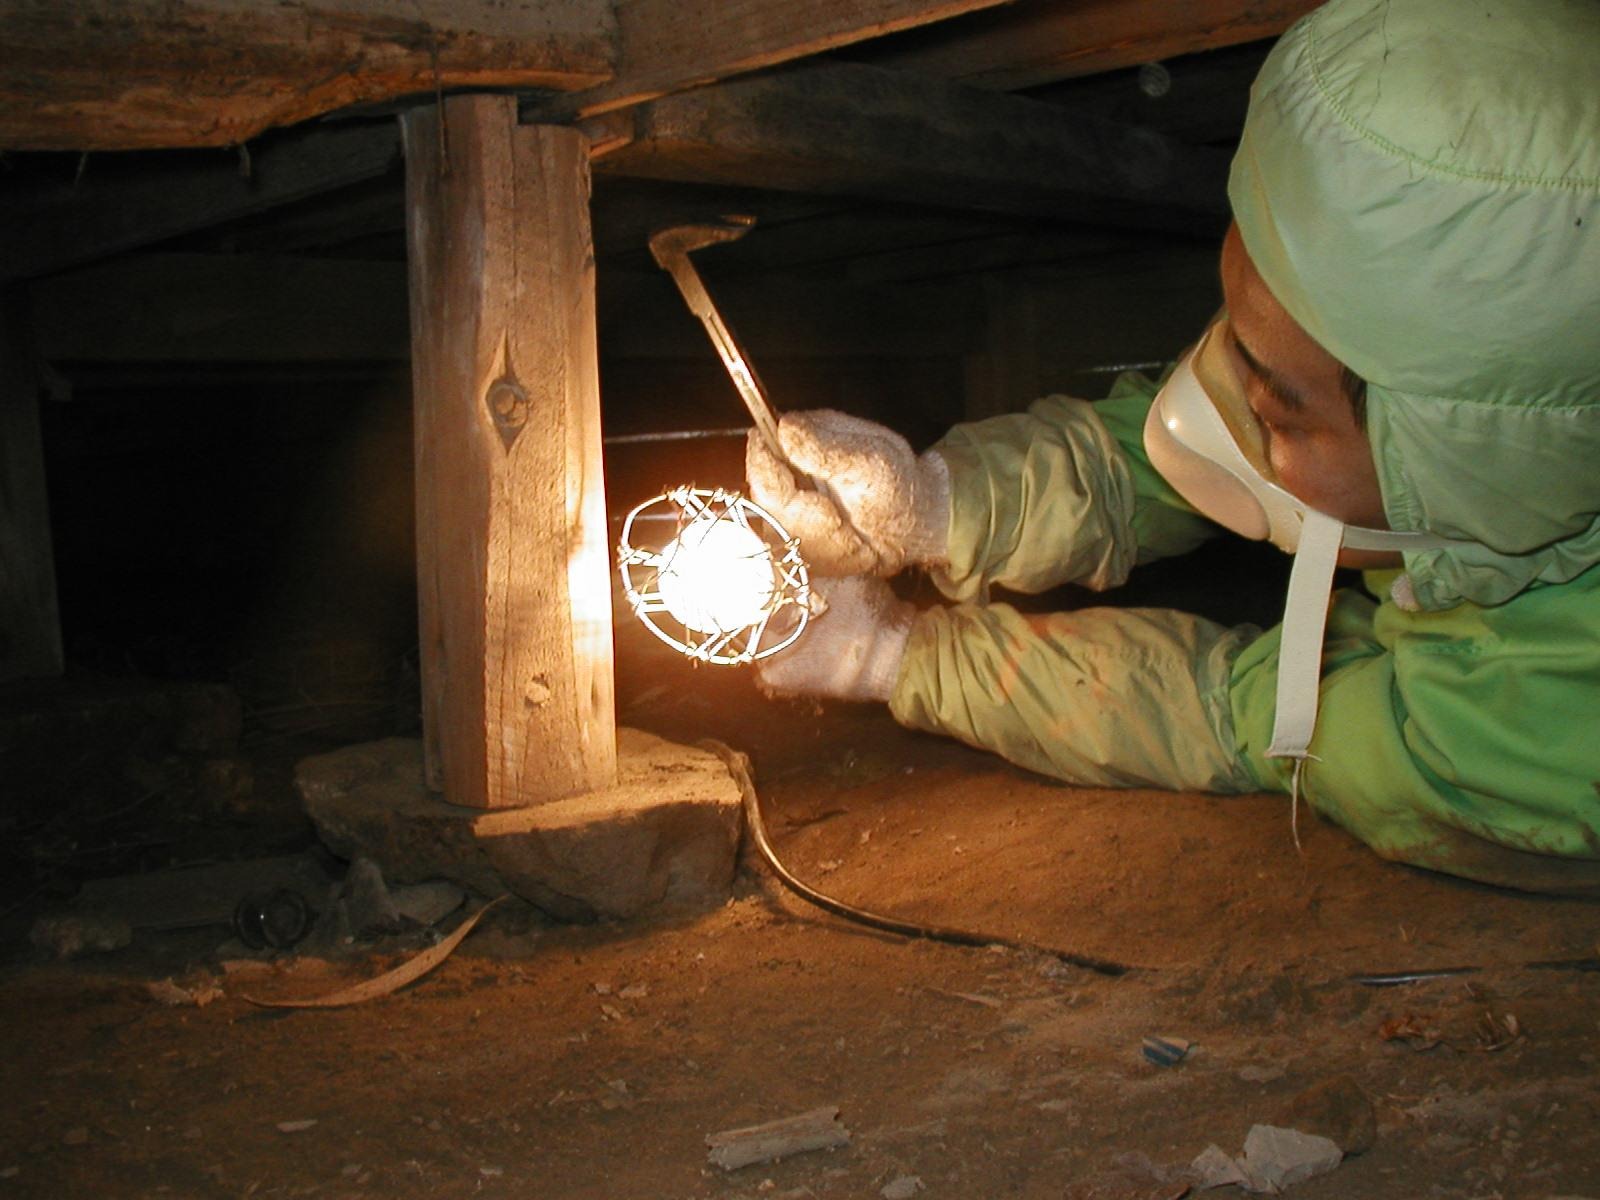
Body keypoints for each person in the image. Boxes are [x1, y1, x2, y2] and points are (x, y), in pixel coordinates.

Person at [744, 0, 1600, 892]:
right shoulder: (1454, 348)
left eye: (1278, 411)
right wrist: (934, 503)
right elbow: (1157, 458)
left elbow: (1227, 715)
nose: (1219, 396)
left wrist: (897, 657)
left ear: (1458, 467)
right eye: (1236, 328)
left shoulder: (1531, 741)